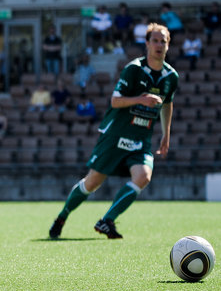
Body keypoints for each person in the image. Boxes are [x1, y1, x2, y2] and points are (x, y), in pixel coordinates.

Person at [49, 23, 178, 240]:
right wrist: (141, 99)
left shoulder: (171, 76)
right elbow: (115, 101)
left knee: (144, 176)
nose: (159, 45)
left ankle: (107, 220)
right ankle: (63, 215)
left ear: (168, 45)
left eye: (163, 41)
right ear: (146, 44)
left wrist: (166, 133)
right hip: (116, 134)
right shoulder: (134, 69)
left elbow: (167, 104)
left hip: (141, 138)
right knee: (92, 183)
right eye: (155, 40)